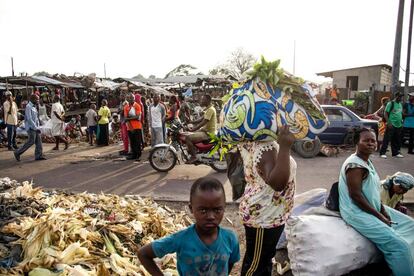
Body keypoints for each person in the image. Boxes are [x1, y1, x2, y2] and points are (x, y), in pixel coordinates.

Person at [338, 128, 414, 275]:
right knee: (399, 246)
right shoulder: (355, 165)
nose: (371, 143)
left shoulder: (367, 162)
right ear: (357, 143)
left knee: (411, 226)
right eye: (366, 140)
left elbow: (372, 192)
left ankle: (407, 261)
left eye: (373, 140)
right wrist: (380, 217)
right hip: (356, 212)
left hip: (371, 207)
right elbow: (356, 196)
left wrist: (383, 209)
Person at [137, 177, 240, 275]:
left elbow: (229, 264)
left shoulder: (230, 238)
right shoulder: (181, 239)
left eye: (217, 210)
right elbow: (143, 254)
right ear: (191, 208)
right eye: (203, 210)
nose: (211, 216)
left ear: (224, 208)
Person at [237, 126, 296, 276]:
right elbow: (277, 183)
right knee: (255, 266)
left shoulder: (256, 139)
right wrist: (285, 147)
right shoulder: (266, 146)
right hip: (264, 218)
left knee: (263, 260)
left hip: (268, 214)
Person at [184, 95, 217, 163]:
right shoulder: (208, 109)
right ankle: (194, 150)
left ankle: (194, 156)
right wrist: (190, 122)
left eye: (203, 100)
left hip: (208, 133)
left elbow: (203, 122)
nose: (201, 101)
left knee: (188, 138)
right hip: (205, 131)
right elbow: (200, 119)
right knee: (190, 134)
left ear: (208, 101)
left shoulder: (210, 110)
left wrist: (193, 129)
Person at [14, 94, 46, 161]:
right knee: (31, 142)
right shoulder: (28, 107)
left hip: (35, 127)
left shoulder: (34, 106)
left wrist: (38, 126)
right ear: (33, 99)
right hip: (31, 128)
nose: (38, 100)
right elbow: (29, 119)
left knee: (39, 142)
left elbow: (36, 118)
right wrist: (35, 128)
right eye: (37, 99)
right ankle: (17, 152)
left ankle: (39, 156)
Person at [379, 92, 404, 158]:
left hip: (398, 125)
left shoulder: (400, 104)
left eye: (401, 97)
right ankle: (382, 153)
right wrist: (389, 122)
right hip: (391, 124)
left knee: (395, 139)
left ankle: (395, 153)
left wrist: (401, 121)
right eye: (399, 96)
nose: (401, 98)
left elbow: (400, 114)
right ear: (396, 96)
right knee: (386, 139)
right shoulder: (391, 103)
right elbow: (385, 113)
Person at [124, 93, 142, 160]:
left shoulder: (137, 105)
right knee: (132, 142)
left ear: (134, 98)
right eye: (129, 98)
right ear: (127, 99)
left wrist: (128, 118)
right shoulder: (126, 107)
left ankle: (138, 155)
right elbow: (126, 118)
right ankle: (134, 155)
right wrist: (130, 124)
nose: (131, 99)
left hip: (137, 126)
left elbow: (137, 117)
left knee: (137, 142)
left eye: (132, 98)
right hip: (129, 127)